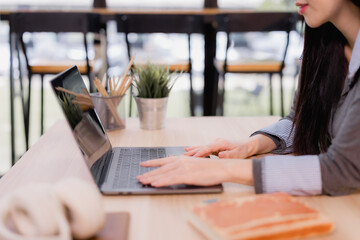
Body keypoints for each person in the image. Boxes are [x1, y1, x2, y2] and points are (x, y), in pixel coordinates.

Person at [137, 0, 360, 196]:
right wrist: (250, 146)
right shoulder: (327, 47)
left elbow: (342, 170)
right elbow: (299, 120)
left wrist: (221, 170)